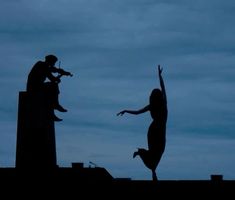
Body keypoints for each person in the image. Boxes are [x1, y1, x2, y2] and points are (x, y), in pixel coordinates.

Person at [117, 65, 168, 181]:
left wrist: (126, 111)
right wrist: (160, 76)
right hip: (159, 132)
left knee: (155, 153)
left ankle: (143, 156)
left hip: (153, 131)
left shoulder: (153, 106)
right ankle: (152, 170)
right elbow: (163, 88)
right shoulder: (163, 104)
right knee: (157, 153)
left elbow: (137, 112)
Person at [26, 54, 72, 121]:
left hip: (37, 86)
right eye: (53, 62)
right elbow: (52, 77)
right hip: (34, 87)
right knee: (53, 86)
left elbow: (53, 70)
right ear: (50, 61)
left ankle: (51, 113)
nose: (54, 64)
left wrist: (61, 72)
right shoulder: (41, 65)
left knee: (50, 94)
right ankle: (56, 104)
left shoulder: (44, 66)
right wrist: (59, 76)